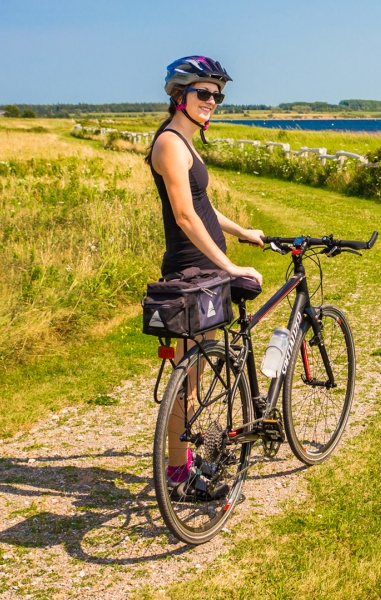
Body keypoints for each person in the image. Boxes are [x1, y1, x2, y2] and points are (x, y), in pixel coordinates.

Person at [145, 56, 263, 490]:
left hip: (206, 268)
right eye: (204, 93)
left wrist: (242, 230)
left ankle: (188, 457)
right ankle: (179, 471)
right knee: (186, 376)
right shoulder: (171, 144)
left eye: (217, 95)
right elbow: (184, 216)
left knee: (196, 371)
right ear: (179, 97)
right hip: (189, 268)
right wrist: (230, 266)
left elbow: (204, 207)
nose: (212, 101)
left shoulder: (186, 142)